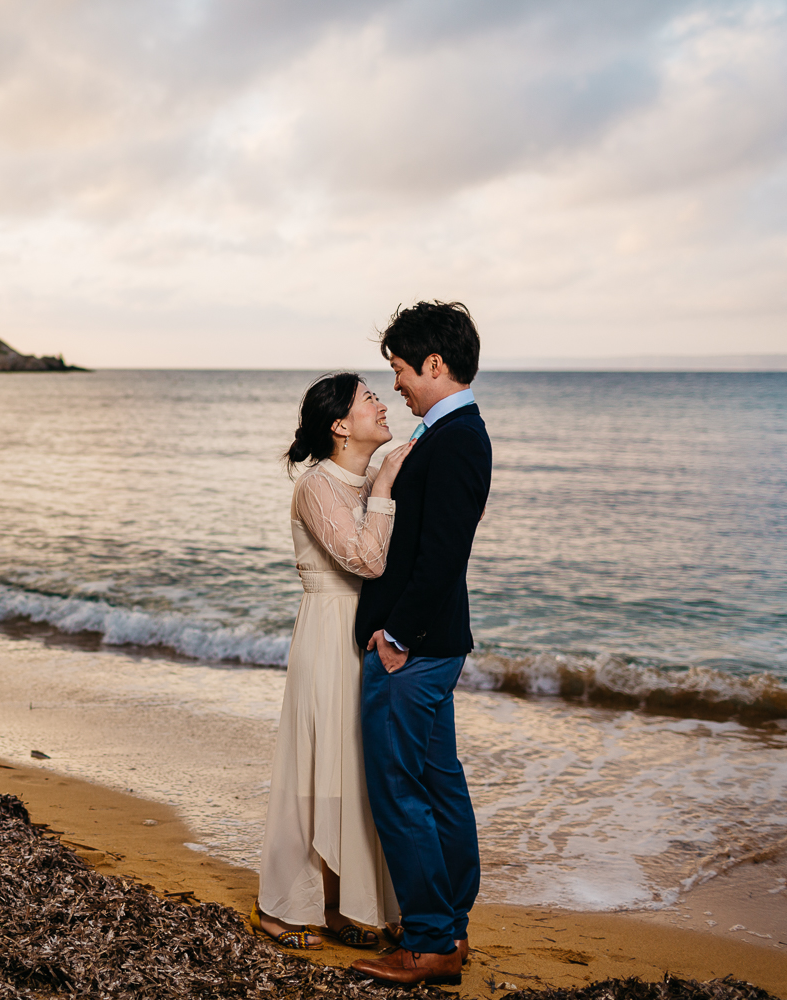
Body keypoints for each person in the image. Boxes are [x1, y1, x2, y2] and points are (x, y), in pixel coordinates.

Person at [350, 302, 491, 986]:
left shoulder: (459, 437)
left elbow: (441, 556)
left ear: (435, 364)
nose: (398, 384)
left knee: (398, 789)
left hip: (416, 649)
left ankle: (432, 940)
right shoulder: (449, 433)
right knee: (439, 786)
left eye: (402, 370)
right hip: (434, 644)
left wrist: (397, 636)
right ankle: (450, 929)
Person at [256, 372, 414, 950]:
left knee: (354, 767)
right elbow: (366, 560)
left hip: (362, 634)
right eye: (368, 398)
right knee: (314, 765)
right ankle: (283, 907)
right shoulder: (318, 486)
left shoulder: (366, 477)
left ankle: (341, 904)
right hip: (327, 630)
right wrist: (388, 483)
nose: (381, 403)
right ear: (340, 426)